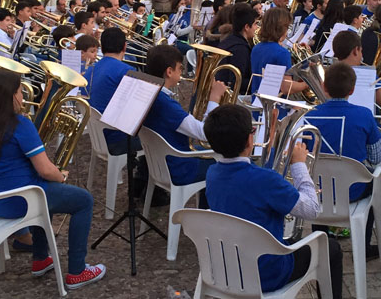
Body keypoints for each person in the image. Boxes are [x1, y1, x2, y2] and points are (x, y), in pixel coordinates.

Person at [0, 69, 106, 289]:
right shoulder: (19, 125)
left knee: (43, 191)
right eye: (20, 92)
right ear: (11, 95)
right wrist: (61, 176)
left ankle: (41, 258)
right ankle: (77, 271)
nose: (23, 97)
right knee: (83, 200)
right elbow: (46, 171)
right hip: (19, 201)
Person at [204, 103, 343, 298]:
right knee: (331, 248)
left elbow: (251, 184)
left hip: (226, 268)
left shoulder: (212, 174)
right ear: (249, 140)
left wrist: (271, 138)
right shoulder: (266, 181)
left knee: (293, 239)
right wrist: (299, 165)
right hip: (268, 274)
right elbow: (312, 209)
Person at [305, 62, 381, 261]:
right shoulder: (364, 115)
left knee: (316, 177)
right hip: (353, 191)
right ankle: (363, 246)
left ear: (324, 87)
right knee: (374, 185)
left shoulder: (308, 116)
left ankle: (320, 241)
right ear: (353, 90)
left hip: (319, 191)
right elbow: (376, 158)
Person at [144, 45, 226, 189]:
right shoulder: (165, 104)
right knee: (226, 159)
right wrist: (214, 98)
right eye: (180, 68)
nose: (181, 72)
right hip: (180, 167)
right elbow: (206, 133)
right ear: (169, 72)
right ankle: (208, 208)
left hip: (161, 162)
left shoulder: (149, 92)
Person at [251, 8, 308, 101]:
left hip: (258, 102)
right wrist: (306, 84)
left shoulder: (256, 48)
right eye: (288, 28)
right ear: (282, 28)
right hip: (276, 108)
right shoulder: (282, 53)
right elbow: (286, 88)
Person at [216, 4, 259, 94]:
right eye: (255, 24)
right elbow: (236, 81)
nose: (257, 28)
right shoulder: (240, 49)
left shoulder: (229, 40)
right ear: (247, 27)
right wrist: (260, 82)